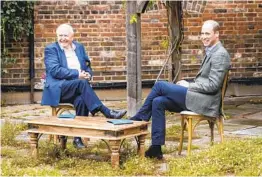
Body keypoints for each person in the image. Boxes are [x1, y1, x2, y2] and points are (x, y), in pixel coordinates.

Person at [130, 20, 231, 159]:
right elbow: (205, 81)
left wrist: (189, 85)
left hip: (205, 102)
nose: (203, 36)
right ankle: (156, 148)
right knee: (158, 101)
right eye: (202, 33)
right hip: (197, 97)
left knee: (160, 85)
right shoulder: (211, 51)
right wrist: (189, 84)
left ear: (217, 34)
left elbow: (213, 86)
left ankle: (139, 119)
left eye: (207, 33)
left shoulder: (220, 54)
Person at [41, 24, 127, 149]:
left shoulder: (79, 47)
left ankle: (77, 138)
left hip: (76, 88)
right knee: (81, 83)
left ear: (72, 36)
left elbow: (86, 65)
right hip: (59, 89)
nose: (62, 38)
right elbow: (55, 70)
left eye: (65, 35)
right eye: (60, 35)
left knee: (81, 100)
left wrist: (87, 74)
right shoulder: (51, 49)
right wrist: (78, 74)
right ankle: (107, 112)